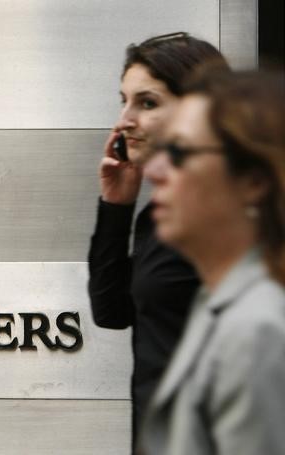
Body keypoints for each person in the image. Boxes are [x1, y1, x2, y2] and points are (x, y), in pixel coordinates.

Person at [87, 32, 228, 446]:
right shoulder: (161, 216)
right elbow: (112, 311)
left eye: (147, 103)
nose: (124, 120)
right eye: (124, 100)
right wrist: (117, 205)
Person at [141, 70, 285, 454]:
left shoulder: (258, 329)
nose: (154, 173)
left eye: (178, 153)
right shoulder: (219, 300)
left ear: (254, 181)